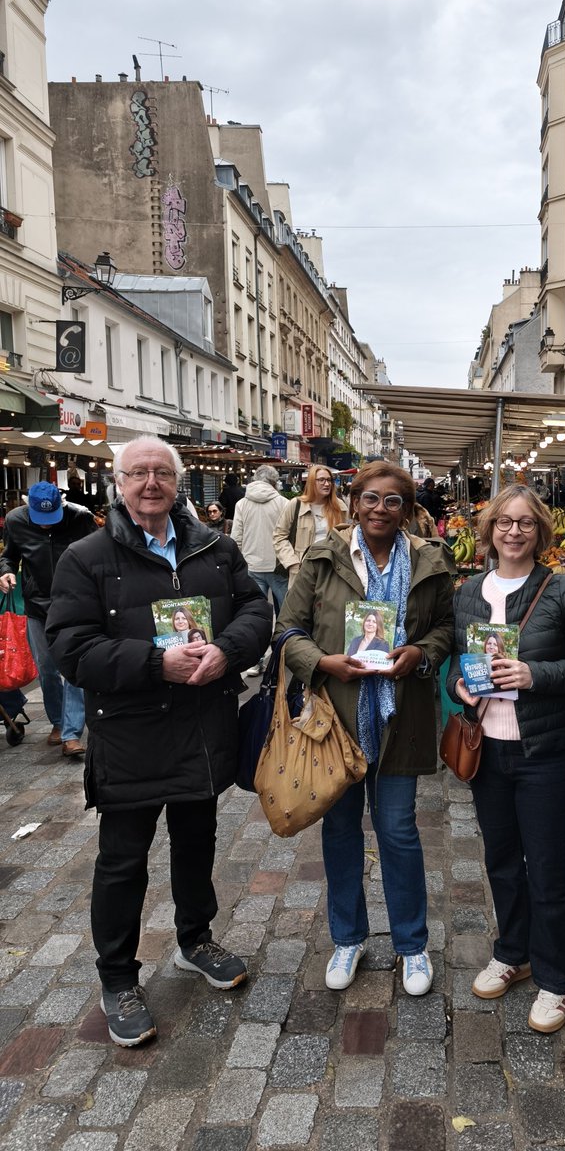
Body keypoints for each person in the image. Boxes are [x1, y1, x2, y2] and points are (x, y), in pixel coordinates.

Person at [45, 436, 271, 1049]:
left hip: (202, 728)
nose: (151, 484)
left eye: (161, 473)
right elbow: (70, 647)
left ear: (177, 483)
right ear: (118, 483)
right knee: (123, 863)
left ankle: (196, 939)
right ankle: (118, 978)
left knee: (197, 844)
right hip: (130, 736)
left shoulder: (215, 550)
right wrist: (153, 663)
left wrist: (228, 649)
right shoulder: (87, 557)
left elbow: (257, 611)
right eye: (137, 473)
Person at [275, 462, 455, 998]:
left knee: (399, 831)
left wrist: (422, 653)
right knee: (340, 830)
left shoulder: (429, 560)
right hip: (339, 719)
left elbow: (447, 627)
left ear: (407, 508)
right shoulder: (323, 556)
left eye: (393, 501)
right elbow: (287, 629)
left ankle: (412, 944)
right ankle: (348, 937)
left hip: (402, 717)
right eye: (371, 499)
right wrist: (322, 663)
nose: (381, 509)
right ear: (354, 503)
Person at [447, 485, 565, 1034]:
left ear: (541, 532)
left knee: (549, 867)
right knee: (502, 860)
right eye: (504, 523)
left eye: (526, 524)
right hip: (487, 750)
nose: (514, 532)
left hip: (545, 752)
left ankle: (558, 980)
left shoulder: (562, 593)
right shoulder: (466, 592)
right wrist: (460, 687)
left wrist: (536, 675)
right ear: (488, 531)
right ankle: (513, 952)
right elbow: (453, 664)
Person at [0, 481, 96, 757]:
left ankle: (71, 733)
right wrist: (6, 571)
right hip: (37, 606)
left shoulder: (81, 518)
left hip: (76, 604)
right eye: (40, 521)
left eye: (51, 519)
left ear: (61, 506)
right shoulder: (16, 520)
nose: (46, 527)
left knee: (74, 668)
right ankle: (57, 722)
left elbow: (99, 554)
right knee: (47, 669)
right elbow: (9, 556)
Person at [232, 465, 288, 675]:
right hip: (279, 566)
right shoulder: (284, 503)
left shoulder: (242, 504)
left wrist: (237, 565)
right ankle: (282, 658)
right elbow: (288, 536)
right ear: (274, 482)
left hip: (251, 566)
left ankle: (255, 661)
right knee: (284, 614)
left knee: (255, 616)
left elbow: (236, 536)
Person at [273, 465, 348, 583]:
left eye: (329, 480)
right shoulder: (296, 504)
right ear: (312, 482)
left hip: (332, 570)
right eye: (321, 480)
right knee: (302, 601)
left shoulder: (339, 506)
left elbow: (347, 537)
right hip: (302, 570)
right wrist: (292, 563)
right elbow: (279, 536)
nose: (327, 484)